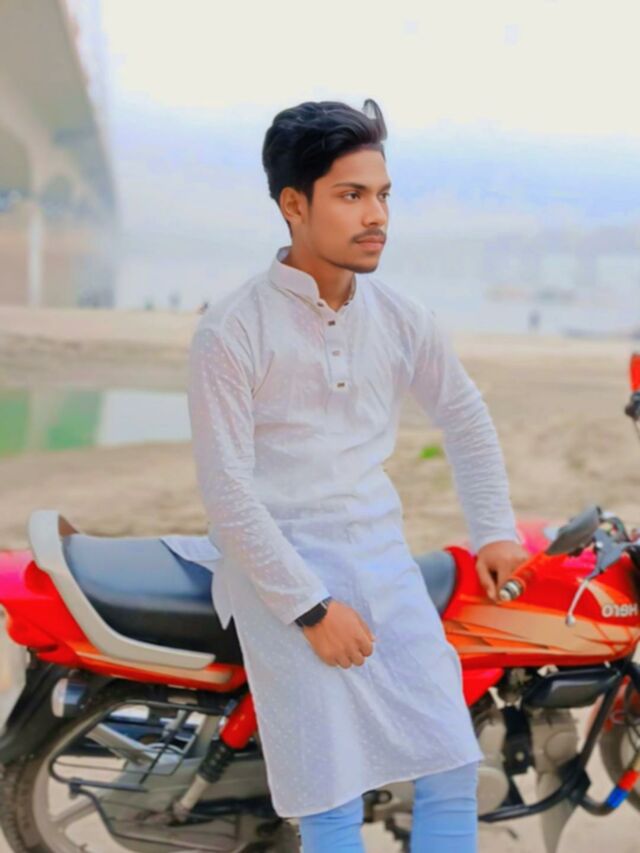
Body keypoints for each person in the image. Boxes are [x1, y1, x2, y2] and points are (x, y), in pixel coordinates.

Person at [187, 98, 529, 852]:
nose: (376, 216)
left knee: (450, 762)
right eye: (351, 195)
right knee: (332, 795)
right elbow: (228, 494)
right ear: (294, 204)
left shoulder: (402, 317)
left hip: (382, 559)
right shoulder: (232, 330)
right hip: (278, 572)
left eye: (383, 194)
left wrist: (496, 530)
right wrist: (311, 609)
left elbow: (465, 418)